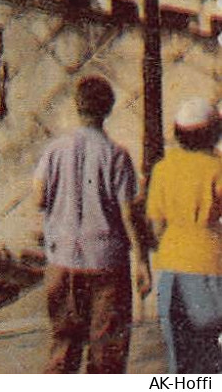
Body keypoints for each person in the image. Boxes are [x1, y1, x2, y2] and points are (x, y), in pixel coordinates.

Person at [33, 75, 149, 374]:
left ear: (77, 106)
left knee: (62, 349)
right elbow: (127, 214)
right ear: (108, 109)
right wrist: (143, 262)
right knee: (107, 353)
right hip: (107, 263)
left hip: (63, 260)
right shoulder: (117, 156)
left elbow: (38, 198)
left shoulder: (54, 150)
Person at [146, 97, 222, 373]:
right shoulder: (218, 168)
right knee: (212, 356)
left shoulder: (162, 170)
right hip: (212, 266)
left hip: (171, 269)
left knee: (179, 359)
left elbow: (155, 227)